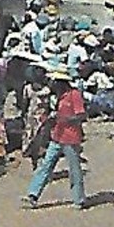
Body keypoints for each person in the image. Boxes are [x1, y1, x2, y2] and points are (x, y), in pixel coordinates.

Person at [22, 72, 88, 210]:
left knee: (74, 170)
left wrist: (65, 119)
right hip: (57, 136)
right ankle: (33, 195)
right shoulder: (58, 97)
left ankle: (79, 199)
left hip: (71, 138)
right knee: (46, 166)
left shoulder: (74, 95)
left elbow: (81, 115)